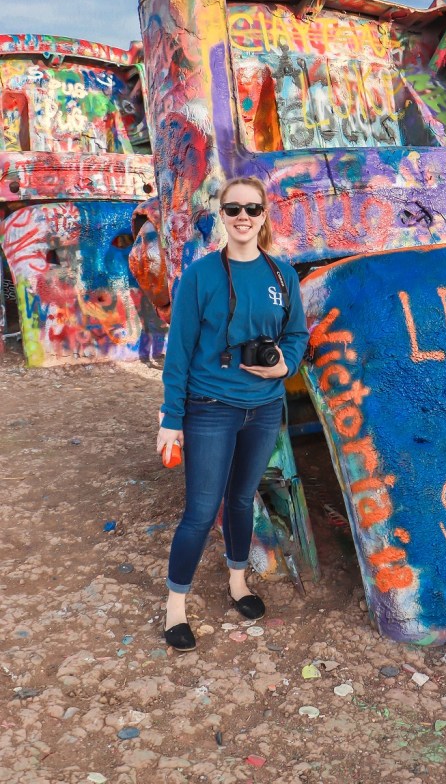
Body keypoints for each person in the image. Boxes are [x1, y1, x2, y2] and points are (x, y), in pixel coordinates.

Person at [156, 176, 309, 651]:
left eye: (252, 209)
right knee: (201, 512)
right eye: (233, 209)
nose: (243, 217)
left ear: (265, 216)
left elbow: (297, 335)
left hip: (263, 410)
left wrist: (285, 364)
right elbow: (178, 352)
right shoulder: (200, 276)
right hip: (209, 409)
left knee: (242, 499)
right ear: (221, 216)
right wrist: (170, 418)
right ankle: (175, 607)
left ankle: (238, 583)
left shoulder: (282, 275)